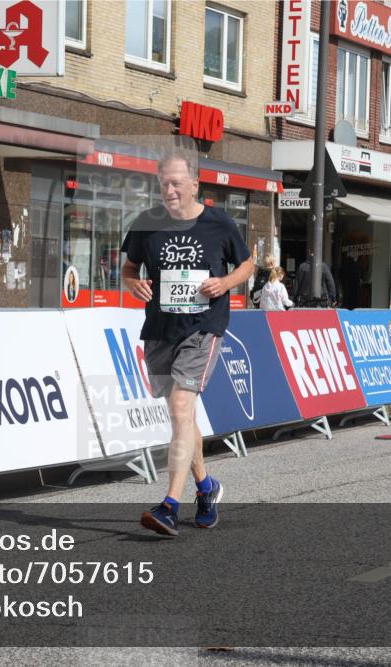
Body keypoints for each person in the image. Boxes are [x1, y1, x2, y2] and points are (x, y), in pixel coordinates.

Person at [121, 148, 254, 537]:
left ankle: (168, 505)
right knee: (182, 417)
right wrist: (134, 283)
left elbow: (247, 264)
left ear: (195, 185)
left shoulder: (218, 223)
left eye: (176, 183)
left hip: (203, 326)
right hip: (161, 329)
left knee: (181, 407)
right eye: (164, 183)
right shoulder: (147, 224)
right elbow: (129, 267)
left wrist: (226, 283)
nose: (169, 190)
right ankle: (206, 487)